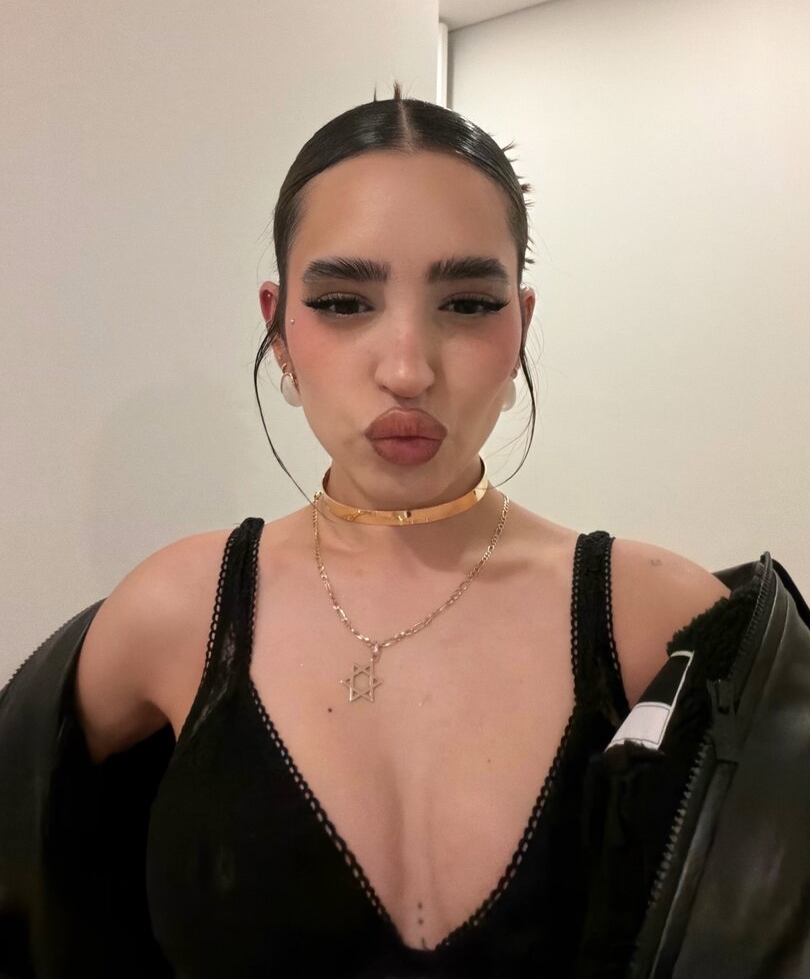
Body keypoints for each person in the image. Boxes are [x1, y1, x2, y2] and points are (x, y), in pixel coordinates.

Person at [3, 84, 805, 977]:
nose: (407, 369)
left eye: (468, 303)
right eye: (344, 302)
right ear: (277, 326)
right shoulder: (174, 615)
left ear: (521, 325)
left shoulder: (656, 618)